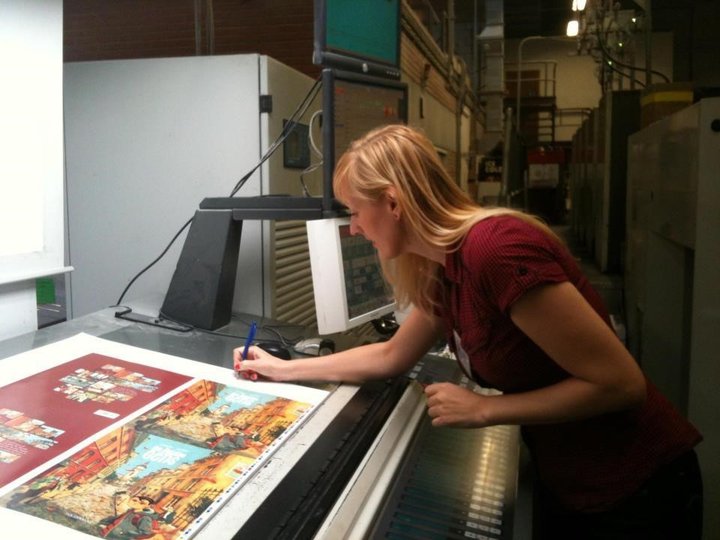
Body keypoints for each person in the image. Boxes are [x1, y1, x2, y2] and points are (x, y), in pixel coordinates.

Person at [233, 124, 703, 539]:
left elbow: (620, 384)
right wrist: (284, 368)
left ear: (392, 202)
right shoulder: (444, 266)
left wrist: (485, 409)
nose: (353, 228)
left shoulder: (495, 252)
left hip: (634, 488)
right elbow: (391, 355)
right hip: (571, 479)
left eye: (354, 211)